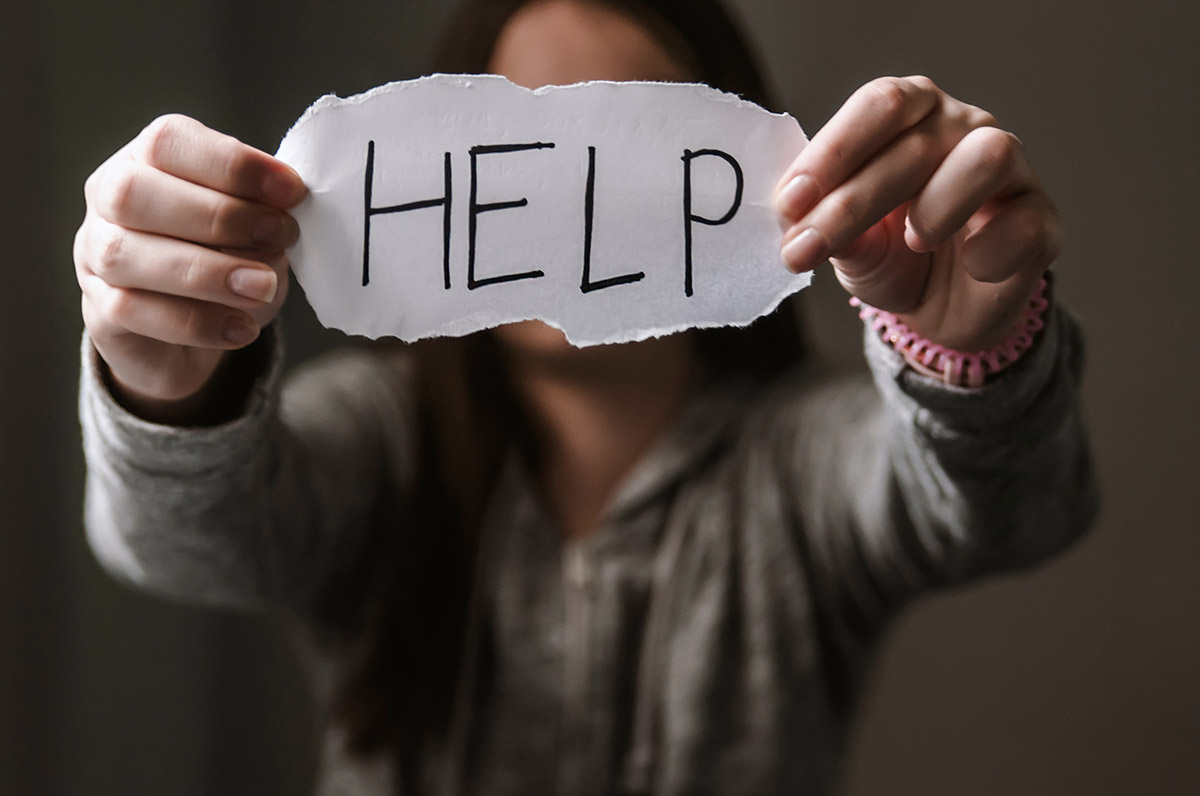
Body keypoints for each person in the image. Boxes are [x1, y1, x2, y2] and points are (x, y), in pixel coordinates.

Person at [75, 0, 1098, 793]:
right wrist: (168, 379)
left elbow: (1012, 509)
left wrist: (970, 349)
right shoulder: (379, 438)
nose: (562, 207)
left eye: (621, 142)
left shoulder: (801, 465)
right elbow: (179, 538)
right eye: (514, 143)